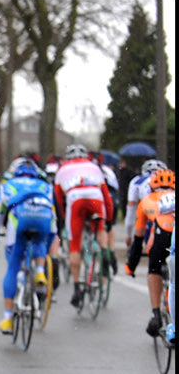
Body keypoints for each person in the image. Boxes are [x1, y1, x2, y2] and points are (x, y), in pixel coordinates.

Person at [0, 159, 58, 334]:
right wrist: (48, 245)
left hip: (20, 220)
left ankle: (7, 318)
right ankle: (39, 270)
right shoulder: (45, 186)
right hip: (43, 218)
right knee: (39, 241)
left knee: (13, 267)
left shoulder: (8, 185)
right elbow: (53, 220)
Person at [54, 143, 116, 299]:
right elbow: (107, 198)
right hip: (95, 196)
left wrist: (61, 220)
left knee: (75, 244)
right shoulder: (94, 167)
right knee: (100, 229)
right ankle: (103, 251)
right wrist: (108, 221)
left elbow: (58, 200)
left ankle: (77, 287)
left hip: (75, 198)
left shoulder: (62, 169)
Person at [124, 167, 175, 338]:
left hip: (162, 236)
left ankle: (156, 314)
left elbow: (138, 238)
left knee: (154, 269)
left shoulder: (147, 200)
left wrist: (131, 266)